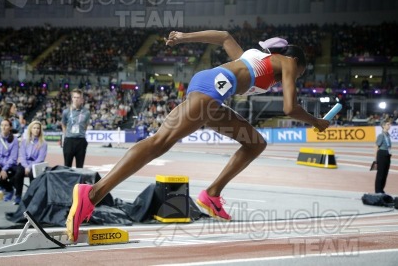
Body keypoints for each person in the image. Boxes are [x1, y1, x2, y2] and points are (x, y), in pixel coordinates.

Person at [65, 31, 330, 242]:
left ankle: (212, 194)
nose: (292, 77)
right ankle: (93, 194)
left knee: (255, 142)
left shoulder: (255, 57)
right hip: (212, 88)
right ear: (297, 62)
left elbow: (225, 36)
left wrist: (183, 37)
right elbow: (289, 107)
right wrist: (316, 121)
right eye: (299, 73)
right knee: (159, 143)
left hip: (214, 93)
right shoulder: (288, 62)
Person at [61, 88, 90, 168]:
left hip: (81, 141)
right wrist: (66, 135)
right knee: (67, 166)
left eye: (78, 97)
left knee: (80, 167)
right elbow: (63, 124)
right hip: (69, 140)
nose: (76, 99)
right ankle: (67, 180)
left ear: (82, 99)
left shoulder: (86, 112)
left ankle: (79, 181)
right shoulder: (66, 112)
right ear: (72, 98)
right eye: (74, 97)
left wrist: (81, 132)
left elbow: (86, 125)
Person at [374, 118, 393, 194]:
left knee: (385, 173)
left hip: (387, 155)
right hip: (381, 154)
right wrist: (376, 159)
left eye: (390, 124)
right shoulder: (381, 135)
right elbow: (376, 146)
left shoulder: (388, 135)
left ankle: (381, 189)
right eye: (388, 124)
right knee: (380, 174)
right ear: (383, 126)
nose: (390, 125)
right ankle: (378, 190)